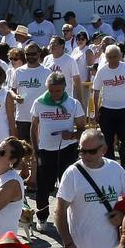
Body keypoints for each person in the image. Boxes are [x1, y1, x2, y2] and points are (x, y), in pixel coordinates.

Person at [29, 73, 85, 224]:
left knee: (69, 186)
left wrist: (72, 135)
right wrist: (35, 150)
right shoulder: (39, 102)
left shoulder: (73, 104)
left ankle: (69, 218)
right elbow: (34, 127)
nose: (54, 94)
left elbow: (82, 128)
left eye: (58, 91)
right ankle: (42, 218)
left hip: (67, 150)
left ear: (65, 88)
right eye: (51, 91)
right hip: (45, 151)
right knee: (43, 188)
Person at [91, 44, 125, 170]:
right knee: (108, 139)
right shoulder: (102, 71)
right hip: (107, 110)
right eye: (109, 57)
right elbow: (96, 91)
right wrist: (96, 111)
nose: (112, 59)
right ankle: (111, 164)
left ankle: (124, 162)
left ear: (120, 56)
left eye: (115, 56)